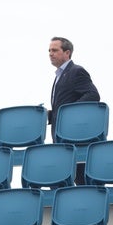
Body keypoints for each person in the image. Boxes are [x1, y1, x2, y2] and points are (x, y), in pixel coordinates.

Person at [48, 36, 100, 185]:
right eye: (49, 50)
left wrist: (69, 113)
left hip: (76, 135)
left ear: (67, 53)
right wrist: (51, 115)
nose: (50, 53)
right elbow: (62, 107)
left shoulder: (76, 71)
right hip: (61, 136)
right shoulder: (59, 76)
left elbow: (93, 95)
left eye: (55, 50)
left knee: (82, 177)